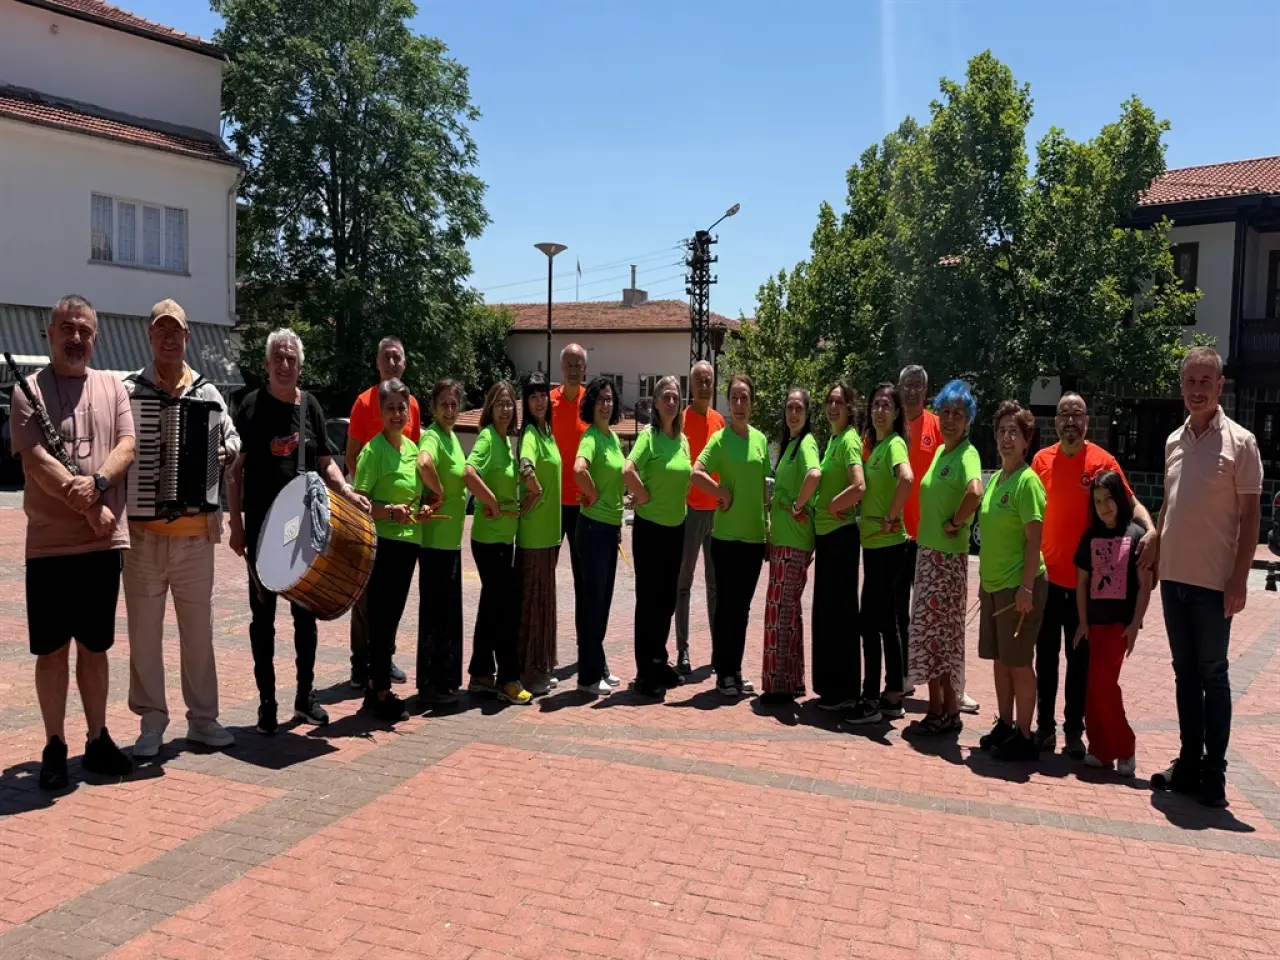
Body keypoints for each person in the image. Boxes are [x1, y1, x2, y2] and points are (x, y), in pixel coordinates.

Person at [11, 295, 136, 790]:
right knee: (51, 651)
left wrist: (99, 483)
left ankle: (98, 737)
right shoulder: (30, 391)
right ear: (50, 334)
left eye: (85, 330)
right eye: (68, 328)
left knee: (96, 647)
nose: (76, 338)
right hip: (50, 547)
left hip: (102, 548)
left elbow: (127, 445)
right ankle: (55, 743)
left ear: (95, 338)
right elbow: (36, 463)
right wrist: (89, 505)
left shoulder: (112, 386)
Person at [228, 328, 370, 734]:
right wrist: (236, 527)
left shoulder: (310, 406)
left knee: (305, 618)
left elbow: (325, 460)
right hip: (260, 531)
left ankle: (305, 697)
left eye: (291, 358)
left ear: (300, 365)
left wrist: (344, 489)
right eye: (279, 358)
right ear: (267, 364)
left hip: (304, 532)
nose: (285, 364)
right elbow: (234, 473)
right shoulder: (252, 407)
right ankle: (267, 703)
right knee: (263, 619)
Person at [123, 299, 239, 758]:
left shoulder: (207, 394)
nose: (169, 338)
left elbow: (231, 436)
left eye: (177, 331)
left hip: (195, 537)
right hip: (143, 536)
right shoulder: (129, 391)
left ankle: (203, 720)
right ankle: (151, 721)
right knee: (144, 634)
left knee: (199, 633)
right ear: (150, 336)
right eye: (161, 331)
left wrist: (226, 451)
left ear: (187, 338)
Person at [1150, 347, 1262, 808]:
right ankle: (1188, 762)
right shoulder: (1173, 441)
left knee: (1213, 676)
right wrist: (1155, 539)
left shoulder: (1242, 443)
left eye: (1205, 382)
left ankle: (1213, 773)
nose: (1196, 390)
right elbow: (1170, 503)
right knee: (1184, 675)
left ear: (1220, 387)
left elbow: (1251, 517)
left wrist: (1239, 579)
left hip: (1215, 584)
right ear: (1182, 387)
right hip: (1174, 580)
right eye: (1190, 382)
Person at [1031, 391, 1153, 758]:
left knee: (1080, 663)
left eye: (1078, 415)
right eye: (1064, 414)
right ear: (1055, 421)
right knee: (1047, 658)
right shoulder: (1040, 461)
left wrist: (1151, 532)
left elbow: (1132, 505)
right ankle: (1045, 728)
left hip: (1089, 588)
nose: (1071, 421)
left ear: (1087, 421)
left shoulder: (1102, 461)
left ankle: (1073, 731)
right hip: (1048, 579)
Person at [900, 364, 980, 714]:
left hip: (944, 557)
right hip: (918, 546)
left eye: (957, 414)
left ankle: (949, 703)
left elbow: (974, 489)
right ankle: (927, 698)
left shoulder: (961, 449)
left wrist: (956, 521)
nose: (949, 419)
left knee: (943, 635)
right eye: (945, 412)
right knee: (925, 631)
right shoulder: (940, 451)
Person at [345, 337, 421, 689]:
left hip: (405, 529)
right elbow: (352, 456)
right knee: (368, 603)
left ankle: (383, 659)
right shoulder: (364, 402)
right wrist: (374, 490)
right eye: (386, 357)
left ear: (404, 363)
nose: (391, 362)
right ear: (377, 362)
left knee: (391, 604)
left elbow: (415, 455)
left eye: (397, 357)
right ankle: (362, 664)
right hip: (373, 517)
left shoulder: (413, 405)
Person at [977, 401, 1049, 762]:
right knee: (1000, 661)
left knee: (1019, 663)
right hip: (992, 588)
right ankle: (1005, 724)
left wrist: (1025, 589)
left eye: (1014, 432)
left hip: (1018, 589)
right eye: (1002, 431)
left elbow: (1034, 539)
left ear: (1026, 440)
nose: (1007, 438)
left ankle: (1024, 734)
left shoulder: (1027, 481)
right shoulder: (997, 480)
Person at [691, 374, 769, 698]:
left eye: (745, 398)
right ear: (728, 402)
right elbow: (696, 472)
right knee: (726, 607)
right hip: (724, 540)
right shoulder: (720, 440)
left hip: (753, 540)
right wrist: (719, 490)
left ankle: (735, 669)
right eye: (734, 398)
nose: (739, 404)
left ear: (752, 402)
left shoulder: (761, 440)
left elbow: (764, 490)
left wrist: (768, 528)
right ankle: (724, 673)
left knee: (743, 608)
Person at [1072, 471, 1152, 777]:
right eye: (1097, 501)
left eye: (1108, 499)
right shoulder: (1090, 536)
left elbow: (1144, 586)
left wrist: (1135, 624)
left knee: (1104, 685)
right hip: (1094, 625)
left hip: (1119, 626)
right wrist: (1082, 622)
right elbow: (1082, 582)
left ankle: (1125, 746)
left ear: (1119, 499)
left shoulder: (1134, 535)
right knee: (1093, 689)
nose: (1104, 506)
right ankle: (1101, 750)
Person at [552, 344, 619, 686]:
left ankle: (591, 659)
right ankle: (545, 657)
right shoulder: (549, 402)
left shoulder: (593, 409)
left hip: (583, 507)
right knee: (544, 584)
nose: (574, 369)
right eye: (569, 364)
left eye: (580, 364)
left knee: (587, 589)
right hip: (553, 504)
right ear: (561, 367)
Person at [463, 381, 533, 705]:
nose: (505, 409)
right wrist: (490, 500)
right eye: (500, 403)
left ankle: (479, 674)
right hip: (490, 540)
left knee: (491, 607)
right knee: (506, 610)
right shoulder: (489, 438)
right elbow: (468, 472)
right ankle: (508, 679)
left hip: (504, 537)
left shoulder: (507, 442)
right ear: (490, 408)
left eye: (509, 404)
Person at [624, 375, 692, 697]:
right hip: (650, 530)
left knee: (666, 601)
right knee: (648, 600)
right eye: (665, 396)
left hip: (676, 529)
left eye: (675, 396)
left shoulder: (683, 440)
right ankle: (645, 672)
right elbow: (628, 469)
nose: (670, 401)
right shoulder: (648, 437)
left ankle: (659, 660)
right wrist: (644, 496)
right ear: (655, 402)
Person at [850, 384, 913, 725]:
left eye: (886, 405)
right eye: (875, 404)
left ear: (897, 412)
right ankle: (893, 695)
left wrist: (891, 515)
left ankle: (870, 700)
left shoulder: (894, 445)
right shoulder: (875, 446)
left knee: (869, 623)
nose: (880, 411)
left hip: (886, 548)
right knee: (888, 622)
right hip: (878, 547)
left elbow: (907, 478)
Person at [759, 388, 821, 703]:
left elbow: (814, 473)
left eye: (799, 408)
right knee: (789, 610)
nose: (793, 413)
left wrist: (797, 506)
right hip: (785, 540)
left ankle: (779, 684)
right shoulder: (792, 445)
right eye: (789, 407)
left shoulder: (806, 444)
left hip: (794, 541)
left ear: (808, 413)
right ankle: (793, 679)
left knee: (779, 609)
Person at [811, 383, 865, 710]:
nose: (833, 406)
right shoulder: (832, 440)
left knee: (841, 617)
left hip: (841, 539)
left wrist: (832, 506)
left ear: (850, 408)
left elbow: (859, 485)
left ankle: (845, 692)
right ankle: (831, 689)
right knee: (827, 615)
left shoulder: (848, 441)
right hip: (828, 539)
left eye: (839, 402)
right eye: (829, 401)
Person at [416, 379, 468, 704]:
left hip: (451, 543)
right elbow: (423, 462)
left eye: (454, 404)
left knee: (448, 617)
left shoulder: (452, 438)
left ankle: (445, 682)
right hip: (435, 543)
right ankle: (430, 686)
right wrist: (439, 492)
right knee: (435, 618)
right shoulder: (433, 436)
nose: (449, 410)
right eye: (444, 404)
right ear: (433, 406)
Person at [574, 377, 626, 696]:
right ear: (591, 404)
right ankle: (588, 676)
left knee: (602, 604)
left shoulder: (612, 438)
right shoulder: (592, 437)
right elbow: (580, 469)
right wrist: (592, 495)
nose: (606, 404)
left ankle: (599, 663)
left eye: (609, 399)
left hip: (609, 528)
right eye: (600, 399)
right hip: (592, 528)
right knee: (592, 605)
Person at [675, 360, 725, 675]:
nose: (704, 386)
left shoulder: (720, 421)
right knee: (683, 584)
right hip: (690, 513)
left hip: (717, 513)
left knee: (715, 585)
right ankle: (682, 651)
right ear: (690, 386)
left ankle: (719, 650)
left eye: (709, 380)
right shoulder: (679, 421)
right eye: (699, 381)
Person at [515, 373, 561, 696]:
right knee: (532, 603)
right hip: (533, 534)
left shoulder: (549, 434)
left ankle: (542, 665)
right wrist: (533, 482)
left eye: (542, 394)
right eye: (532, 396)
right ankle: (528, 672)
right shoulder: (531, 433)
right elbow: (525, 461)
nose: (539, 401)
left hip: (550, 535)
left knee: (545, 602)